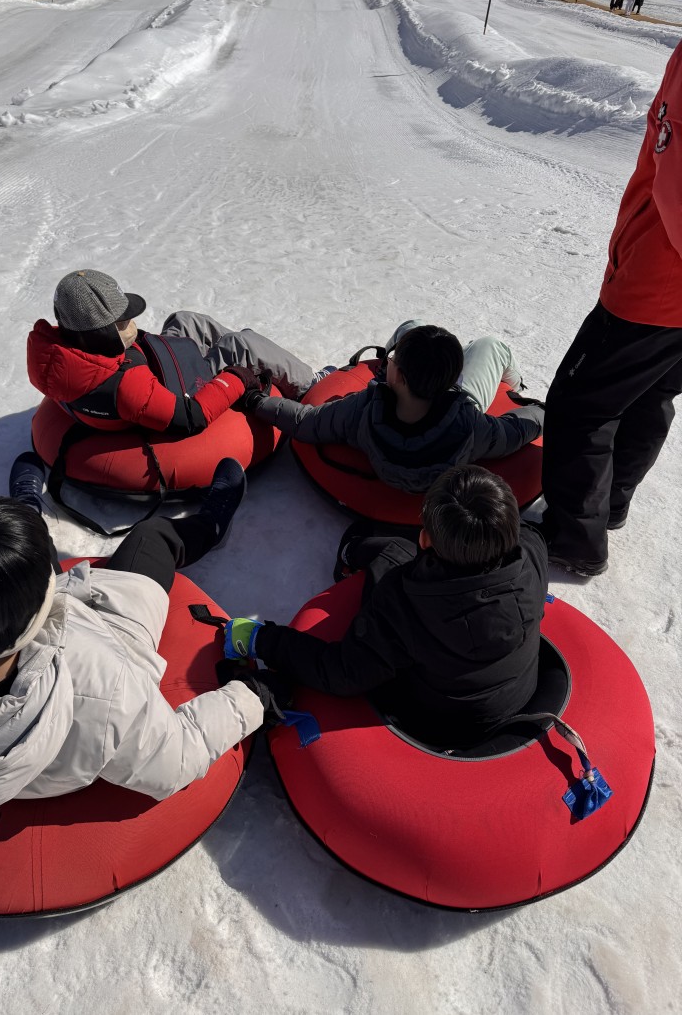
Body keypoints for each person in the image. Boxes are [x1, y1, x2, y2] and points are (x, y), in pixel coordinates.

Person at [0, 458, 287, 812]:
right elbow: (175, 759)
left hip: (30, 644)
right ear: (46, 597)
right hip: (107, 640)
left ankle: (24, 514)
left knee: (0, 575)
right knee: (152, 537)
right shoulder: (105, 691)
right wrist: (254, 694)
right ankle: (209, 524)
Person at [220, 466, 548, 747]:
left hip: (440, 719)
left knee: (391, 558)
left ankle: (353, 551)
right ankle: (360, 550)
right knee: (396, 558)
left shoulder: (405, 605)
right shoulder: (532, 551)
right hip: (513, 695)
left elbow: (343, 673)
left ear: (425, 540)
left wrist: (263, 640)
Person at [541, 43, 682, 576]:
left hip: (658, 283)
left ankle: (573, 541)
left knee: (582, 404)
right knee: (651, 391)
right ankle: (610, 504)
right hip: (668, 284)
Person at [244, 321, 544, 494]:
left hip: (400, 413)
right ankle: (509, 382)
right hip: (443, 400)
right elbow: (516, 431)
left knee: (409, 327)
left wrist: (256, 401)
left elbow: (305, 423)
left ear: (397, 375)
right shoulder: (470, 426)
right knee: (491, 344)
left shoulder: (363, 411)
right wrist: (542, 411)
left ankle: (419, 355)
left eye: (391, 362)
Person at [27, 269, 329, 438]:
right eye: (123, 322)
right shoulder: (125, 386)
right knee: (241, 344)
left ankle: (253, 355)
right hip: (176, 391)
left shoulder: (70, 353)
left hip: (151, 367)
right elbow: (189, 418)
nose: (133, 324)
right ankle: (309, 386)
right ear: (101, 334)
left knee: (185, 320)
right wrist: (236, 378)